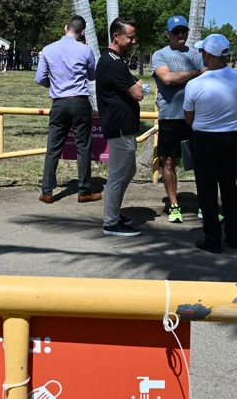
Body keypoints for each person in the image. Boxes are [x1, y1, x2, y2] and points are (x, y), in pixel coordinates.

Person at [183, 34, 237, 253]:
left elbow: (188, 117)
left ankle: (212, 238)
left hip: (204, 139)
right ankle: (234, 235)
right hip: (231, 138)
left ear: (209, 55)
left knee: (207, 190)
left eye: (203, 52)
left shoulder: (195, 84)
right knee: (229, 187)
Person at [36, 16, 101, 204]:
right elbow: (92, 75)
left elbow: (40, 78)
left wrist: (54, 84)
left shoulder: (48, 49)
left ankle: (47, 191)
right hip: (80, 102)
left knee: (53, 148)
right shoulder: (85, 49)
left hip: (58, 103)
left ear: (66, 28)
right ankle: (84, 191)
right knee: (83, 147)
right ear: (82, 33)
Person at [150, 15, 204, 223]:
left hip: (197, 118)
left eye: (184, 31)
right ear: (168, 34)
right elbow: (167, 78)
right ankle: (173, 205)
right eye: (176, 32)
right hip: (171, 117)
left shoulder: (197, 54)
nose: (181, 35)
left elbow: (209, 77)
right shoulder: (160, 55)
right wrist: (196, 73)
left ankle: (204, 205)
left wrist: (197, 73)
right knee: (170, 161)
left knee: (202, 162)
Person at [96, 16, 143, 236]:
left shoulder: (116, 60)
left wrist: (135, 85)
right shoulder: (111, 62)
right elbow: (137, 93)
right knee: (118, 174)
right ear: (116, 36)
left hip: (124, 127)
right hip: (120, 127)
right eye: (130, 37)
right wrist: (138, 86)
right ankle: (111, 223)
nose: (134, 42)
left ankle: (114, 212)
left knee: (128, 170)